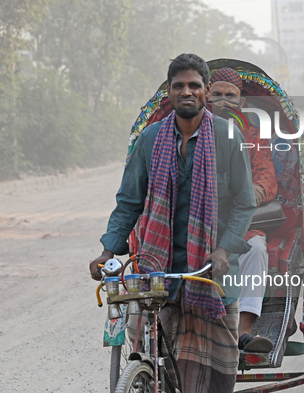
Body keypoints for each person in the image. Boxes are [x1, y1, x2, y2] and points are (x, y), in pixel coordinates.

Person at [88, 54, 256, 393]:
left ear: (206, 91)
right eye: (178, 86)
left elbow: (244, 202)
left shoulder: (227, 136)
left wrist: (224, 249)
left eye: (194, 85)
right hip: (159, 273)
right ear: (169, 92)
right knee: (151, 357)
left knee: (215, 379)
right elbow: (129, 202)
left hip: (212, 273)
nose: (187, 91)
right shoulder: (149, 140)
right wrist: (108, 251)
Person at [207, 67, 278, 353]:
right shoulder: (189, 130)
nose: (224, 101)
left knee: (257, 250)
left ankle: (243, 331)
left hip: (241, 221)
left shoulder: (252, 135)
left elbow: (265, 173)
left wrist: (250, 194)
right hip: (197, 221)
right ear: (205, 98)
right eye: (217, 95)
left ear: (242, 103)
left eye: (230, 96)